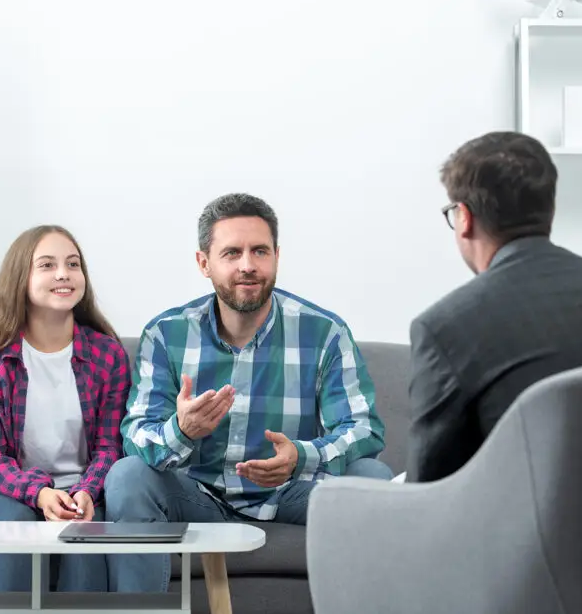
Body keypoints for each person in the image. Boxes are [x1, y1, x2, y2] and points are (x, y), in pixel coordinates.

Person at [104, 192, 391, 593]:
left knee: (374, 479)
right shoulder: (166, 334)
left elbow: (364, 430)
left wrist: (300, 457)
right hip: (197, 493)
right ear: (204, 263)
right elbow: (137, 435)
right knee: (127, 476)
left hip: (291, 492)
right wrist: (181, 431)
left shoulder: (324, 332)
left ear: (276, 256)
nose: (248, 265)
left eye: (260, 251)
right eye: (232, 252)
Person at [406, 131, 582, 483]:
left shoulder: (445, 327)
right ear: (549, 208)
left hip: (528, 534)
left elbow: (428, 490)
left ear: (464, 218)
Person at [0, 225, 131, 593]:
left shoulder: (108, 355)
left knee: (83, 539)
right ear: (21, 279)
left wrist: (86, 492)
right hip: (8, 493)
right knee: (19, 526)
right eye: (47, 265)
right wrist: (41, 495)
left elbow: (111, 447)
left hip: (83, 492)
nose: (63, 273)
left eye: (73, 264)